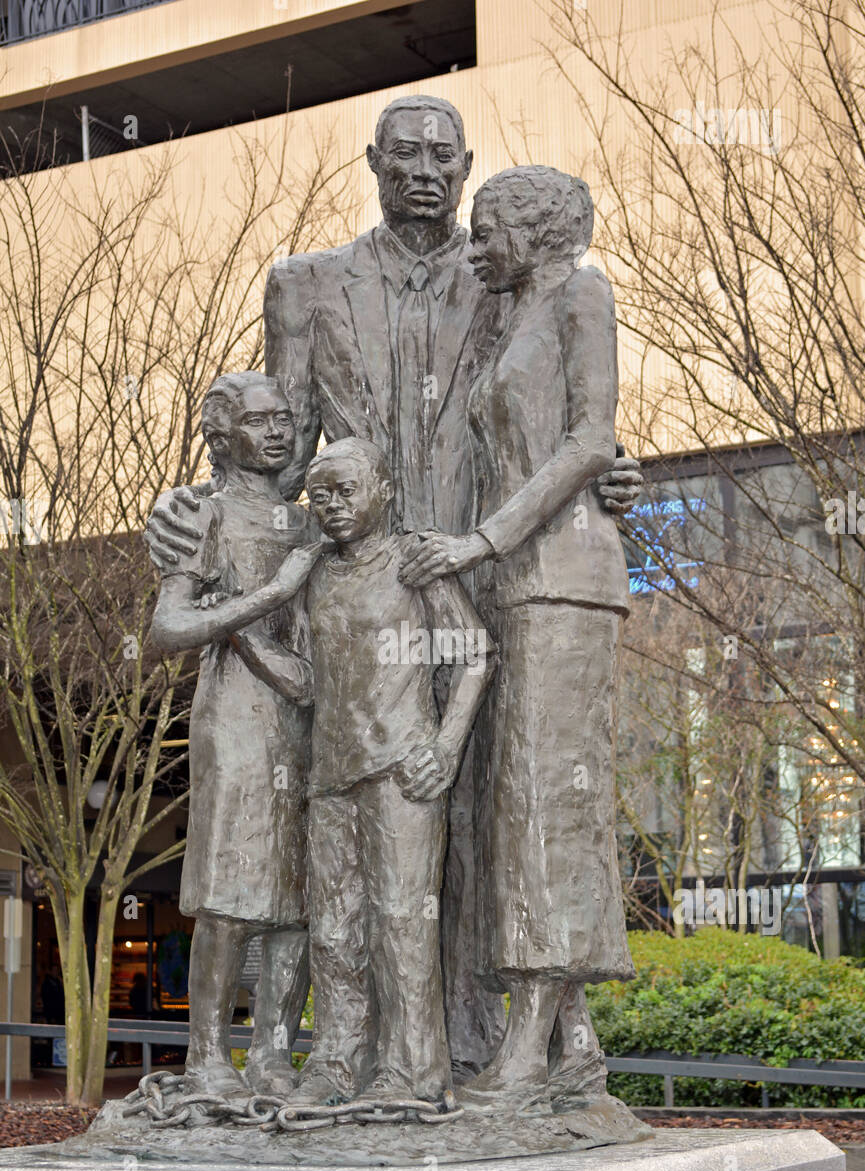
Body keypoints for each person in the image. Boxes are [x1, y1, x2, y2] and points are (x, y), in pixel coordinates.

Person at [145, 96, 642, 1079]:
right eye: (403, 153)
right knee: (357, 826)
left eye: (442, 156)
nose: (423, 169)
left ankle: (507, 1036)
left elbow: (567, 420)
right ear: (372, 160)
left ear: (466, 168)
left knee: (507, 799)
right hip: (360, 581)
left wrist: (616, 471)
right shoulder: (306, 285)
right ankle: (360, 1047)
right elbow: (276, 452)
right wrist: (194, 504)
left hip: (489, 569)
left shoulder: (511, 272)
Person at [400, 167, 636, 1104]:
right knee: (519, 809)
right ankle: (574, 1047)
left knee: (545, 807)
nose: (473, 243)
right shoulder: (506, 317)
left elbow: (590, 442)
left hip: (564, 583)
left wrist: (482, 540)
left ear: (533, 229)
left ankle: (527, 1043)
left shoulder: (582, 291)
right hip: (512, 587)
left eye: (487, 226)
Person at [274, 437, 494, 1104]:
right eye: (321, 495)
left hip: (403, 770)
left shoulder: (415, 563)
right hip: (331, 775)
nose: (331, 506)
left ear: (384, 491)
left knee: (401, 921)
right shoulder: (311, 575)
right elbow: (307, 682)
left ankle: (413, 1071)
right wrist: (236, 633)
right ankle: (338, 1065)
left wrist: (447, 748)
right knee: (336, 930)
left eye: (345, 490)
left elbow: (475, 654)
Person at [149, 372, 327, 1097]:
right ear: (222, 439)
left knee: (297, 896)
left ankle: (274, 1054)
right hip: (236, 718)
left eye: (285, 419)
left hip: (309, 716)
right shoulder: (205, 516)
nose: (279, 432)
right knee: (230, 891)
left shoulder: (314, 520)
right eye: (259, 422)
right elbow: (168, 627)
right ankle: (205, 1059)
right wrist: (267, 597)